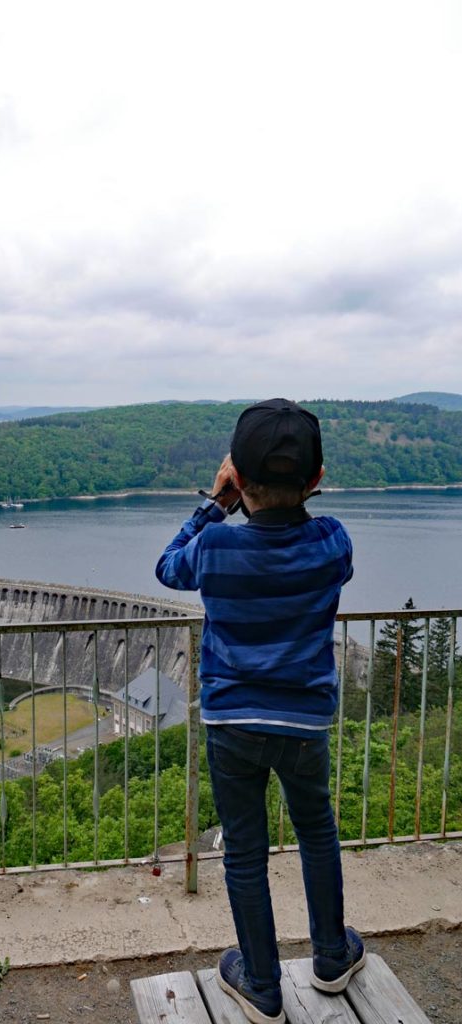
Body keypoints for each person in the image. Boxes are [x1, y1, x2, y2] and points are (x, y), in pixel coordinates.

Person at [155, 399, 365, 1024]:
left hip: (232, 724)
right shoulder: (333, 542)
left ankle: (261, 984)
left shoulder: (216, 546)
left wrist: (216, 504)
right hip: (304, 725)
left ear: (238, 479)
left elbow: (167, 567)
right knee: (317, 833)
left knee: (245, 852)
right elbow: (323, 552)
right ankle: (331, 956)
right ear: (316, 479)